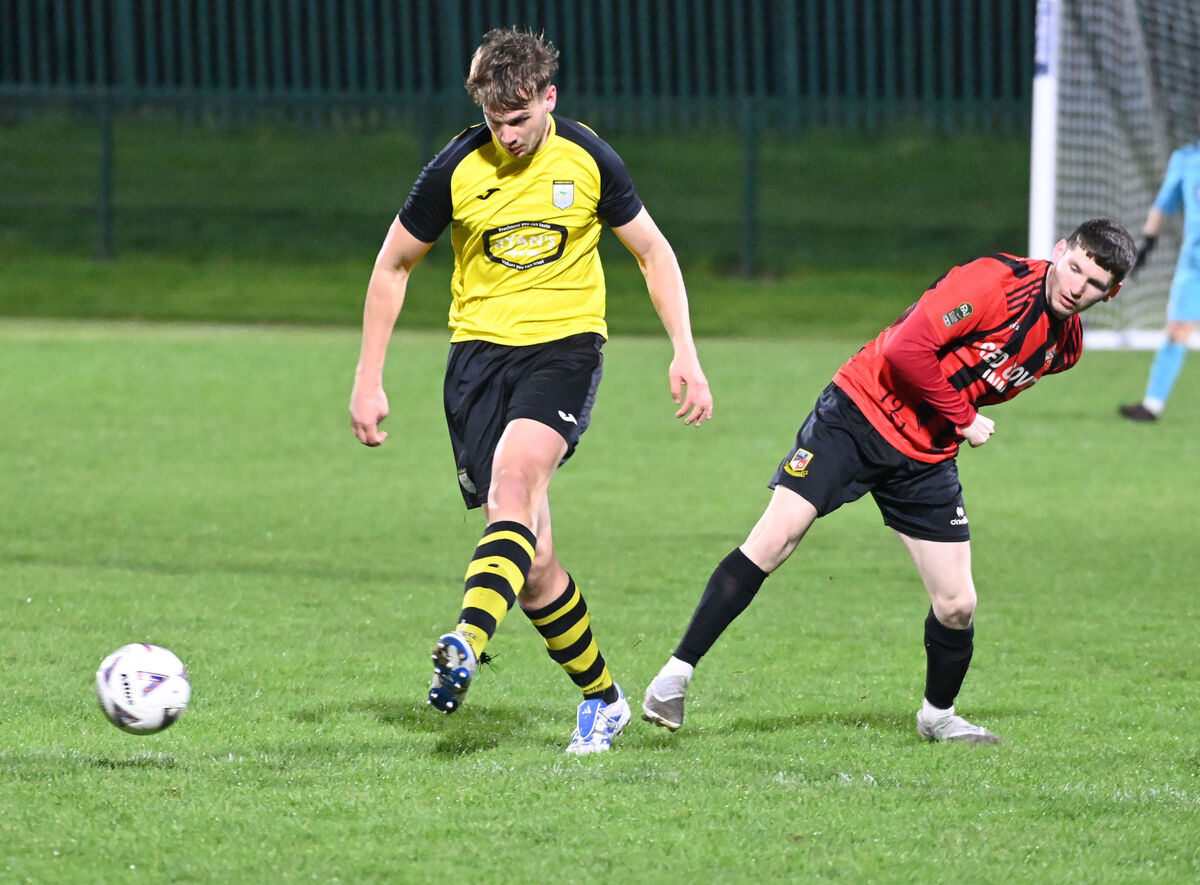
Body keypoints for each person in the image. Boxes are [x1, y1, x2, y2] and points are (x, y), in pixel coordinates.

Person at [349, 27, 713, 755]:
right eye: (495, 121)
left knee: (512, 490)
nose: (508, 135)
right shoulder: (455, 168)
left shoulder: (588, 158)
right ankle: (604, 699)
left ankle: (465, 640)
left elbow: (652, 251)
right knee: (533, 561)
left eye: (520, 119)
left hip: (565, 351)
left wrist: (685, 351)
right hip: (477, 363)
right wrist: (368, 375)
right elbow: (393, 266)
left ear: (550, 97)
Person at [642, 219, 1135, 744]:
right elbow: (906, 348)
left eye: (1093, 283)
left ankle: (937, 716)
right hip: (856, 414)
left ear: (1111, 293)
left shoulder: (1066, 348)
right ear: (1060, 251)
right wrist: (964, 417)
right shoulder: (992, 282)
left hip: (925, 455)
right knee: (776, 537)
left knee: (957, 603)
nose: (1075, 286)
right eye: (1074, 267)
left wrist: (953, 420)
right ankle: (673, 678)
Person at [1119, 137, 1200, 422]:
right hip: (1195, 264)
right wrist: (1147, 244)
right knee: (1176, 331)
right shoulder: (1188, 159)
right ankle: (1152, 405)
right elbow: (1163, 204)